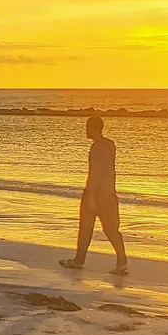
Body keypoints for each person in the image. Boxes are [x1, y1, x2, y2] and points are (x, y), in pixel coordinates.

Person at [60, 116, 128, 276]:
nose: (85, 130)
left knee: (86, 228)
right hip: (109, 193)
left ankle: (79, 260)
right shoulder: (110, 144)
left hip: (96, 193)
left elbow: (96, 173)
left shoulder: (97, 147)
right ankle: (122, 262)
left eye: (87, 127)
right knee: (111, 230)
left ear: (92, 129)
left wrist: (91, 196)